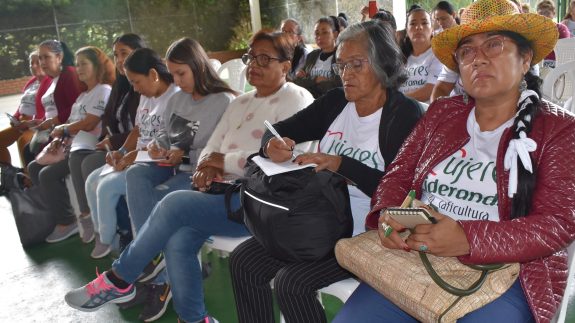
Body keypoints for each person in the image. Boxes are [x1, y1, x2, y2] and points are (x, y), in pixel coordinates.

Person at [334, 0, 573, 322]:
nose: (479, 59)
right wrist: (389, 214)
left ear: (525, 57)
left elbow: (556, 224)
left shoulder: (558, 129)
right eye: (467, 51)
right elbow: (398, 174)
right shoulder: (442, 114)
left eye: (494, 45)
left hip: (509, 272)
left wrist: (468, 237)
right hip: (417, 260)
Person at [64, 30, 314, 323]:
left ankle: (119, 278)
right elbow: (212, 145)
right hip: (224, 195)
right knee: (178, 238)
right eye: (250, 57)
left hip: (262, 204)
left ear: (286, 66)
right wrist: (205, 165)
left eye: (264, 59)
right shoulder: (241, 102)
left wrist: (225, 161)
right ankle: (194, 319)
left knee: (174, 203)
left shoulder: (297, 100)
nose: (253, 65)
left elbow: (283, 162)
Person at [229, 21, 424, 323]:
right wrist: (272, 147)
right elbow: (277, 131)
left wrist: (341, 164)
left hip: (366, 231)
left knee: (291, 282)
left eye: (357, 64)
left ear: (383, 62)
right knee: (244, 261)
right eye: (342, 65)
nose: (346, 74)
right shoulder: (336, 102)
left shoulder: (403, 114)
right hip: (319, 220)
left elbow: (404, 192)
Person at [123, 37, 237, 321]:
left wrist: (180, 152)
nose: (176, 80)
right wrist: (158, 146)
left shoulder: (223, 101)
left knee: (167, 203)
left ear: (198, 67)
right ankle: (152, 258)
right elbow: (167, 135)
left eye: (181, 73)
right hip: (174, 165)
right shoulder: (176, 98)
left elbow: (218, 150)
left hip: (202, 174)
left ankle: (155, 267)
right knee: (135, 173)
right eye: (172, 73)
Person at [84, 48, 179, 259]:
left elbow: (169, 142)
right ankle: (107, 235)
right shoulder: (147, 96)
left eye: (136, 82)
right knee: (92, 180)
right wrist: (122, 151)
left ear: (153, 75)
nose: (134, 89)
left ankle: (109, 240)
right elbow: (137, 130)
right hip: (135, 157)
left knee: (106, 187)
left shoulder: (174, 97)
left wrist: (133, 156)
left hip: (156, 163)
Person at [28, 45, 112, 244]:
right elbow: (71, 123)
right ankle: (58, 217)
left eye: (83, 64)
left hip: (85, 148)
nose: (79, 69)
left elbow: (90, 122)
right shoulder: (83, 96)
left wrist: (64, 129)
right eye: (77, 64)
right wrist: (58, 138)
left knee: (47, 174)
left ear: (97, 66)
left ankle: (71, 221)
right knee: (33, 166)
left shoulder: (103, 90)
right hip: (70, 146)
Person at [68, 33, 146, 245]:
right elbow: (110, 119)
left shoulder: (146, 85)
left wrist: (113, 143)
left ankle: (120, 232)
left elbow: (142, 128)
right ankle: (99, 225)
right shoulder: (119, 85)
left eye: (124, 53)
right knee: (83, 162)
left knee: (91, 164)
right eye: (116, 55)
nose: (120, 60)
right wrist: (109, 139)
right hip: (119, 145)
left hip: (137, 149)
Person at [0, 51, 51, 168]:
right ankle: (10, 173)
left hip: (34, 124)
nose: (33, 66)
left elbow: (46, 110)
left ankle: (27, 179)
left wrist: (28, 123)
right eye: (31, 63)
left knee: (24, 142)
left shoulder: (49, 81)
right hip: (22, 123)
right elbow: (23, 105)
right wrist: (15, 118)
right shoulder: (31, 83)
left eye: (37, 62)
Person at [398, 7, 444, 103]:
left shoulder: (438, 54)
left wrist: (397, 101)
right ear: (407, 30)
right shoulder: (400, 57)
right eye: (413, 23)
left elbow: (431, 90)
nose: (418, 27)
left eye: (424, 23)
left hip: (428, 114)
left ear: (432, 29)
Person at [293, 17, 342, 98]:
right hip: (309, 101)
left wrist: (308, 82)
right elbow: (297, 82)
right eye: (317, 33)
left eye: (325, 32)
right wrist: (316, 80)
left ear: (335, 34)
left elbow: (338, 85)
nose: (319, 37)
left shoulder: (341, 56)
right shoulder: (312, 56)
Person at [537, 0, 571, 67]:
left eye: (547, 13)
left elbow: (565, 50)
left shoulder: (561, 28)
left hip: (557, 63)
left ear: (553, 14)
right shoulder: (534, 30)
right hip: (539, 63)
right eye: (541, 13)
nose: (544, 16)